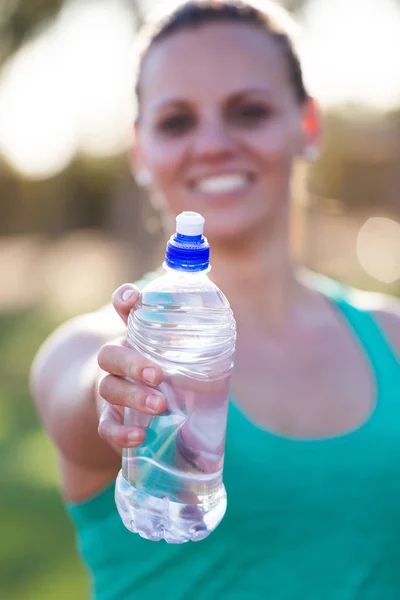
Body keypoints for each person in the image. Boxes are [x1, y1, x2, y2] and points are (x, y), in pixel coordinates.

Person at [30, 1, 400, 599]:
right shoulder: (90, 346)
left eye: (248, 111)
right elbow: (85, 396)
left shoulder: (393, 338)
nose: (213, 144)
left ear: (307, 125)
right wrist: (120, 391)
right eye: (176, 122)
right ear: (139, 151)